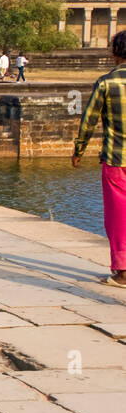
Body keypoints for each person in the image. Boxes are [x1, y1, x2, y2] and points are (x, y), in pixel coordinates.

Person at [73, 30, 126, 286]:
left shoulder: (106, 83)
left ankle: (123, 271)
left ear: (115, 54)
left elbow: (89, 121)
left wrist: (78, 150)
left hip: (116, 160)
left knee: (118, 216)